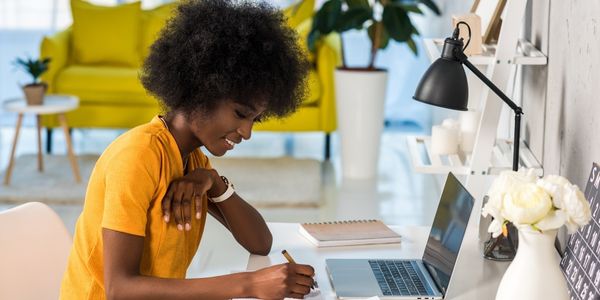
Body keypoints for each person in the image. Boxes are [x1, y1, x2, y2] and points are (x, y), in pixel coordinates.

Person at [59, 0, 314, 298]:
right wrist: (249, 284)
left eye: (255, 120)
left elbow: (260, 242)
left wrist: (212, 181)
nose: (246, 132)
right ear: (202, 91)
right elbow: (120, 289)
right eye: (240, 114)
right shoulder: (138, 156)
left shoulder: (192, 160)